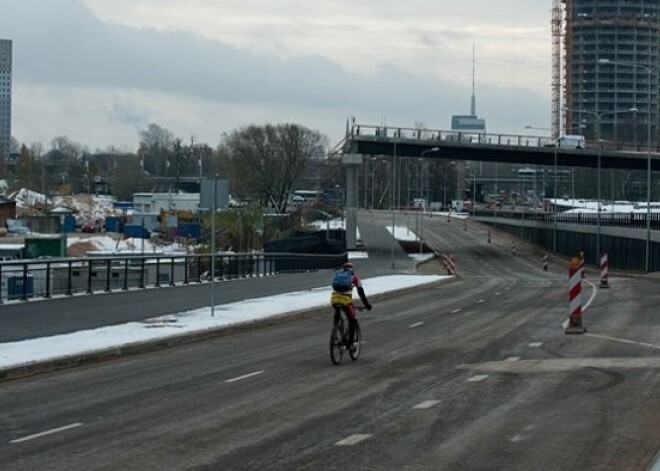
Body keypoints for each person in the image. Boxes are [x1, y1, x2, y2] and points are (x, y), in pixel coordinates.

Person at [330, 262, 372, 350]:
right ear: (352, 270)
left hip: (334, 299)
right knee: (351, 320)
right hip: (346, 301)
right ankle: (350, 344)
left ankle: (335, 333)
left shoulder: (337, 275)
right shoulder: (354, 277)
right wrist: (367, 305)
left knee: (337, 312)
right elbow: (361, 293)